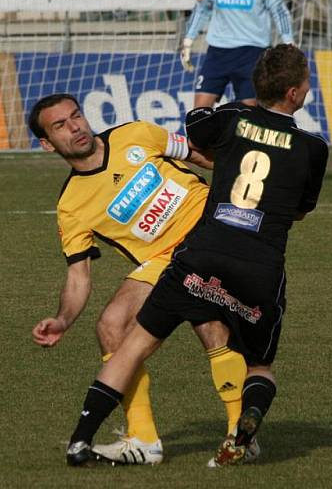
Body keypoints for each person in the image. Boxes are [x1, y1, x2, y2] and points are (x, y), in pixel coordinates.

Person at [65, 45, 328, 468]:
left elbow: (197, 123)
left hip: (201, 250)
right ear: (296, 94)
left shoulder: (228, 119)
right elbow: (298, 209)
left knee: (134, 345)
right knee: (259, 363)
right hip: (260, 263)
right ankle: (243, 426)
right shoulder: (314, 147)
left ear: (254, 85)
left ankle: (80, 438)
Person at [29, 94, 248, 465]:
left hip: (209, 229)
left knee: (208, 323)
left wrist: (247, 192)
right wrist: (63, 319)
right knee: (111, 325)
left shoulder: (135, 134)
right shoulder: (71, 205)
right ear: (47, 144)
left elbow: (198, 156)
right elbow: (78, 276)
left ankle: (242, 434)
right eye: (60, 126)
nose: (76, 127)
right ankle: (143, 439)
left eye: (76, 116)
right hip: (163, 259)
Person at [180, 0, 294, 108]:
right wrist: (188, 39)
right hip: (219, 51)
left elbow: (279, 10)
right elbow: (201, 10)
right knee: (199, 112)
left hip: (253, 52)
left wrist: (289, 42)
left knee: (249, 115)